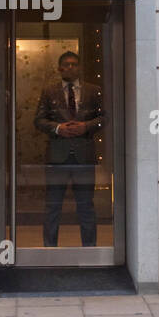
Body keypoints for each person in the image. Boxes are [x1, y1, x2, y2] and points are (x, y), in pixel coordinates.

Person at [33, 51, 104, 247]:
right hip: (57, 157)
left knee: (86, 207)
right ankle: (49, 250)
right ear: (59, 68)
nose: (70, 67)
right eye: (66, 64)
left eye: (74, 64)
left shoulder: (93, 90)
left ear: (79, 67)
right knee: (52, 207)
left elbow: (104, 118)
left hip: (84, 156)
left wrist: (86, 126)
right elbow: (38, 120)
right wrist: (57, 128)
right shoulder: (49, 91)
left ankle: (89, 250)